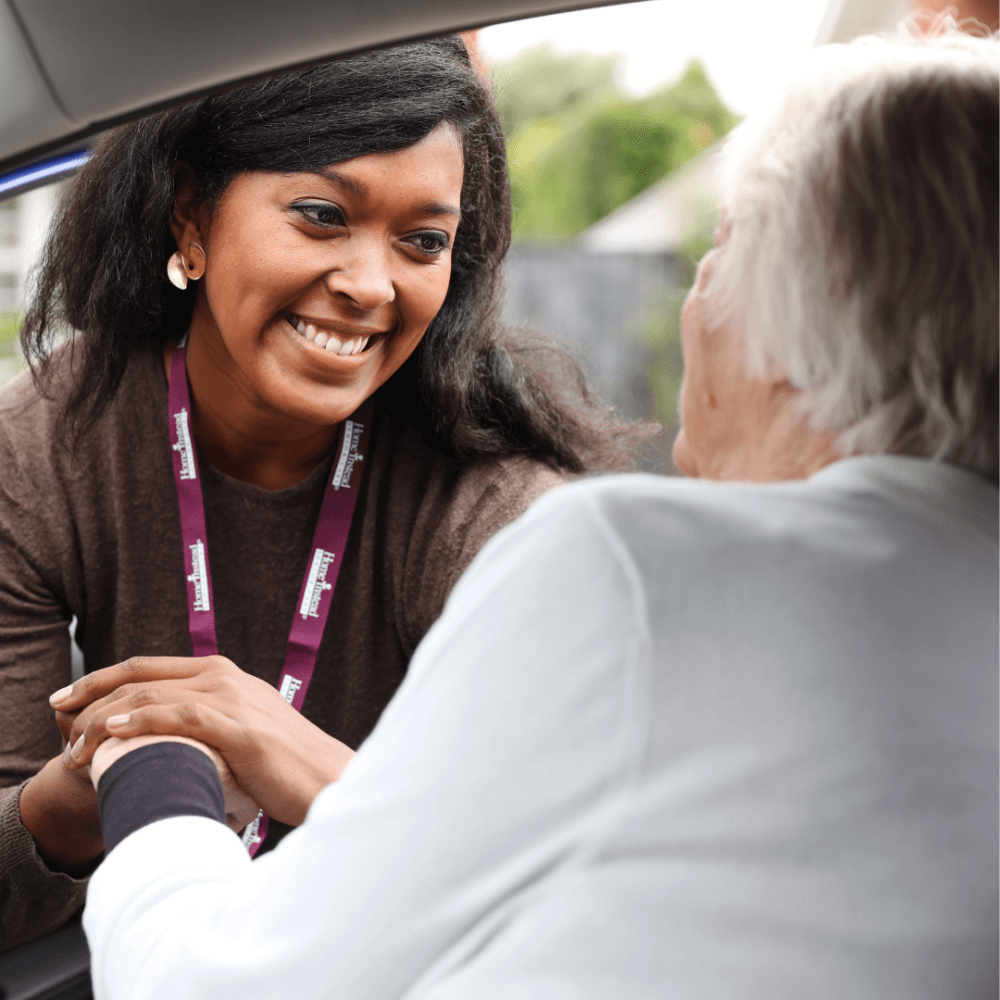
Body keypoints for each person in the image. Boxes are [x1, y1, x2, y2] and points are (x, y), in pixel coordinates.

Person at [63, 25, 998, 999]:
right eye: (320, 215)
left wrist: (155, 770)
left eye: (720, 248)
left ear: (798, 309)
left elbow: (219, 987)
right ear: (189, 221)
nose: (693, 295)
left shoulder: (636, 572)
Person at [0, 36, 649, 949]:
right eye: (320, 215)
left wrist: (290, 753)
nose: (372, 285)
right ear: (190, 216)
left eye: (423, 241)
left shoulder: (498, 509)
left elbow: (575, 894)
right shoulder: (42, 449)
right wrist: (79, 801)